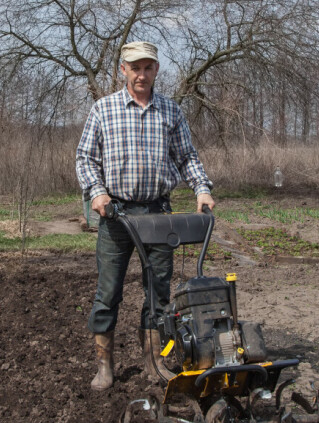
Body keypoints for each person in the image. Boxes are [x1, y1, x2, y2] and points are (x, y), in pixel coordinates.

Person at [75, 41, 215, 391]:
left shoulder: (171, 111)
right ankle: (105, 368)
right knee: (108, 293)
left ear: (156, 70)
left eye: (147, 67)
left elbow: (187, 157)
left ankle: (153, 362)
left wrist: (202, 188)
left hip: (158, 215)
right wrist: (98, 193)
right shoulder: (103, 109)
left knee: (159, 293)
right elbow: (85, 158)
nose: (141, 74)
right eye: (134, 67)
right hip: (116, 216)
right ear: (123, 69)